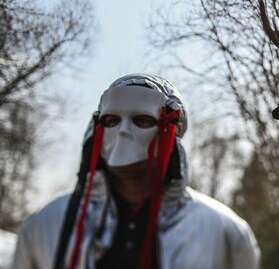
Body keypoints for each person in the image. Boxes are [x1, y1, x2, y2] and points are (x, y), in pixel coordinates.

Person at [12, 74, 260, 269]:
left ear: (170, 132)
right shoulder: (42, 226)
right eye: (111, 121)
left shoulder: (226, 232)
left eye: (142, 120)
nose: (122, 132)